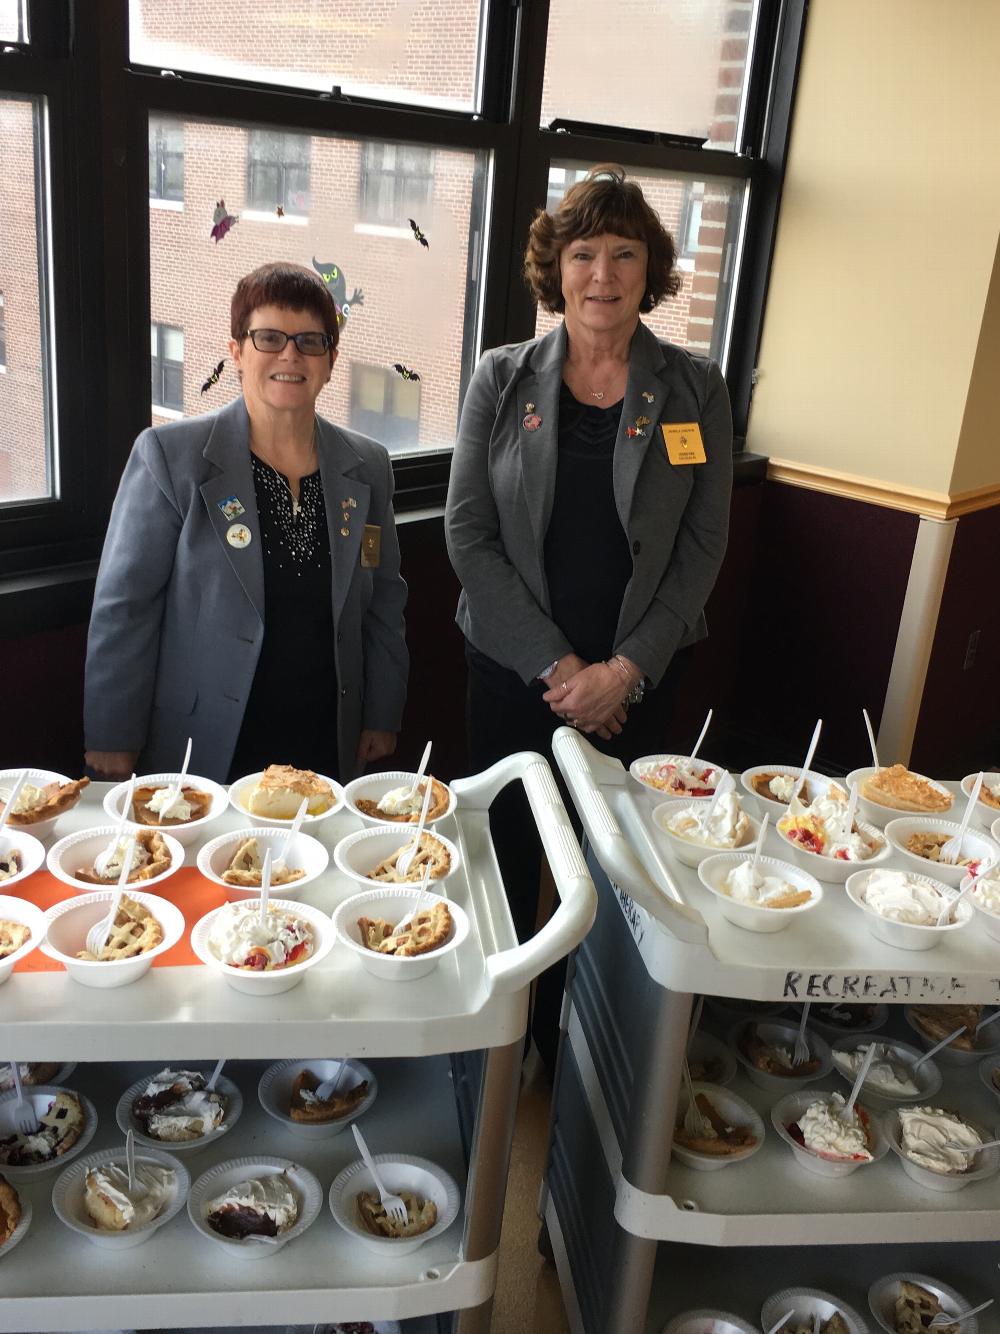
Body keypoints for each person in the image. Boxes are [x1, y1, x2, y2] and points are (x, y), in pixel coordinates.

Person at [445, 166, 733, 1069]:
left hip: (636, 681)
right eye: (582, 254)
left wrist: (625, 672)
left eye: (623, 253)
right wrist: (563, 672)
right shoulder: (501, 379)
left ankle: (578, 1038)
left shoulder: (695, 389)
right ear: (554, 269)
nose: (602, 273)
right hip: (512, 670)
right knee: (507, 857)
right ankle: (496, 1043)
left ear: (650, 270)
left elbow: (702, 546)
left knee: (619, 866)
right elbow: (467, 531)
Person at [85, 261, 408, 784]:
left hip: (325, 738)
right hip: (206, 742)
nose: (290, 354)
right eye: (269, 337)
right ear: (236, 351)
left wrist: (381, 712)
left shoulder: (367, 467)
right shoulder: (171, 458)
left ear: (331, 359)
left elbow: (385, 601)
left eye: (310, 341)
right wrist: (111, 737)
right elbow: (125, 606)